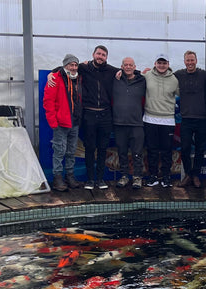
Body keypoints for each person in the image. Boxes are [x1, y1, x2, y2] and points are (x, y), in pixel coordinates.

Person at [47, 46, 118, 190]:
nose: (100, 56)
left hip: (104, 115)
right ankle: (90, 180)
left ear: (106, 57)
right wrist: (50, 73)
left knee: (101, 148)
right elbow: (61, 68)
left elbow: (128, 71)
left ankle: (100, 179)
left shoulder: (111, 70)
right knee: (88, 148)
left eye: (103, 55)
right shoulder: (83, 68)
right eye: (98, 53)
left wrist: (139, 71)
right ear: (93, 54)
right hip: (88, 115)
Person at [43, 54, 83, 191]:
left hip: (75, 123)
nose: (73, 67)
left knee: (72, 151)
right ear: (65, 65)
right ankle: (57, 178)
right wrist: (53, 122)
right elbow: (48, 102)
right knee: (59, 151)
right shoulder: (55, 78)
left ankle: (70, 175)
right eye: (70, 65)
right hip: (61, 123)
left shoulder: (78, 78)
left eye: (75, 65)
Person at [174, 51, 206, 188]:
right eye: (187, 60)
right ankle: (188, 174)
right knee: (185, 148)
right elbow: (164, 74)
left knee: (200, 149)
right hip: (186, 119)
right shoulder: (178, 74)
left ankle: (196, 175)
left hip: (202, 118)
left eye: (192, 60)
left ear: (196, 60)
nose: (190, 63)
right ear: (184, 62)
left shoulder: (205, 74)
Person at [143, 54, 180, 188]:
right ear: (155, 63)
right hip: (150, 119)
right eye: (159, 62)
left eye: (164, 63)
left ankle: (166, 177)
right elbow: (131, 76)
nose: (162, 65)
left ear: (168, 64)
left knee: (166, 151)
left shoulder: (175, 79)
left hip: (168, 120)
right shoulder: (147, 76)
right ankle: (152, 176)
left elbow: (184, 94)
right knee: (152, 150)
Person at [112, 57, 146, 189]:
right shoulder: (115, 79)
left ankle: (137, 177)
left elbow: (159, 73)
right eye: (125, 65)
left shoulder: (142, 80)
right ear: (121, 66)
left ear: (134, 66)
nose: (128, 67)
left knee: (137, 152)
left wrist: (145, 71)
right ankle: (124, 176)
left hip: (136, 123)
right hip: (119, 123)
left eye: (130, 65)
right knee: (122, 152)